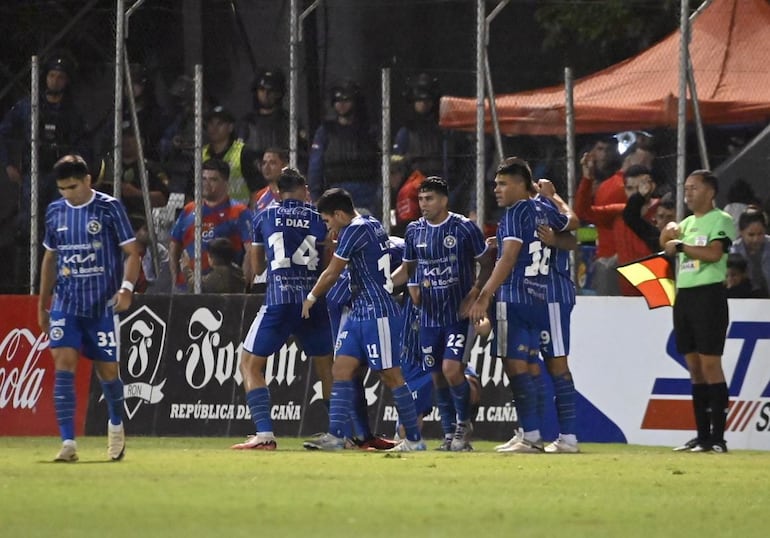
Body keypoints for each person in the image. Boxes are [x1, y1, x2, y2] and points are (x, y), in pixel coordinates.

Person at [300, 188, 425, 452]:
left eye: (327, 220)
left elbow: (333, 272)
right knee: (341, 369)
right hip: (359, 311)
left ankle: (414, 440)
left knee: (390, 375)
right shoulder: (371, 223)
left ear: (339, 214)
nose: (328, 227)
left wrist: (311, 297)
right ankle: (336, 436)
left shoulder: (353, 230)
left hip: (378, 311)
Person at [36, 154, 141, 462]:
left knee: (108, 372)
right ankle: (68, 443)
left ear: (87, 181)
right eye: (62, 189)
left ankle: (116, 423)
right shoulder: (55, 212)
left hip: (101, 305)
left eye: (72, 187)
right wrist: (43, 304)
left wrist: (126, 288)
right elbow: (50, 259)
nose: (68, 194)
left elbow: (132, 252)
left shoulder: (109, 208)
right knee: (64, 365)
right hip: (66, 304)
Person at [467, 157, 571, 453]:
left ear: (522, 185)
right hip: (541, 295)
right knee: (534, 368)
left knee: (516, 367)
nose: (496, 190)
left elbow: (509, 257)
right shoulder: (544, 207)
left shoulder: (514, 214)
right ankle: (540, 434)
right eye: (495, 184)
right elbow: (572, 229)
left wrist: (484, 295)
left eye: (503, 184)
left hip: (514, 298)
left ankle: (532, 435)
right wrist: (553, 197)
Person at [232, 168, 333, 450]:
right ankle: (339, 432)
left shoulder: (263, 215)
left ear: (277, 191)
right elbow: (327, 264)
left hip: (279, 299)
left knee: (250, 364)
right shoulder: (318, 217)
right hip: (313, 298)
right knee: (327, 367)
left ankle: (264, 434)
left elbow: (257, 266)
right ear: (304, 189)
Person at [391, 176, 493, 451]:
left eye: (430, 198)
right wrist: (390, 284)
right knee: (437, 376)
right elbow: (409, 267)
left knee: (451, 369)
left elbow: (487, 263)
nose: (423, 204)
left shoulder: (464, 228)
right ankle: (449, 434)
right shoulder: (413, 231)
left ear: (444, 200)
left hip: (457, 315)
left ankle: (463, 425)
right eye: (421, 199)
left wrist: (475, 295)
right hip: (428, 317)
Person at [661, 169, 736, 453]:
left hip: (709, 296)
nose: (688, 193)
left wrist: (681, 245)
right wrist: (667, 234)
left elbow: (715, 253)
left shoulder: (721, 220)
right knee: (693, 367)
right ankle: (701, 436)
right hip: (685, 297)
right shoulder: (687, 223)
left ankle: (718, 437)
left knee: (710, 365)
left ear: (710, 192)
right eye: (686, 188)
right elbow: (666, 247)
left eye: (694, 188)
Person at [0, 54, 87, 292]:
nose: (55, 81)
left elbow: (82, 144)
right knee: (28, 226)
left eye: (60, 77)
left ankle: (58, 283)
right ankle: (24, 283)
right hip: (33, 174)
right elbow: (4, 132)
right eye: (51, 76)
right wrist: (8, 164)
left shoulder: (72, 111)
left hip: (60, 177)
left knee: (60, 228)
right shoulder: (29, 105)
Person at [575, 144, 654, 295]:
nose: (635, 193)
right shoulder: (619, 212)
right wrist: (587, 179)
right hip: (622, 291)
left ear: (651, 186)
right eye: (630, 189)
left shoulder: (662, 211)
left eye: (640, 188)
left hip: (655, 288)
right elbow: (582, 212)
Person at [168, 158, 250, 292]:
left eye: (213, 179)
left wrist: (243, 285)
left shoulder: (239, 212)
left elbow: (250, 251)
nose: (206, 184)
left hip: (222, 289)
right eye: (203, 179)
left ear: (225, 183)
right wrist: (175, 278)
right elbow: (174, 244)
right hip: (186, 287)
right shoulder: (189, 210)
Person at [307, 80, 380, 217]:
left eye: (346, 100)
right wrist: (315, 196)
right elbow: (315, 165)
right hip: (337, 190)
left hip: (367, 191)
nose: (341, 104)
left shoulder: (369, 130)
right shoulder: (326, 131)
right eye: (337, 100)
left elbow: (381, 161)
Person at [94, 126, 170, 217]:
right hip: (107, 216)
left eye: (130, 136)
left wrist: (136, 193)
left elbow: (163, 199)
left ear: (140, 141)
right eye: (123, 136)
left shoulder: (151, 168)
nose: (126, 140)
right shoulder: (106, 165)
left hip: (138, 219)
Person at [203, 106, 262, 205]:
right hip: (208, 216)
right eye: (211, 124)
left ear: (230, 127)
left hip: (238, 216)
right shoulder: (201, 154)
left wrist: (253, 217)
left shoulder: (243, 153)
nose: (214, 128)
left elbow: (256, 189)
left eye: (219, 124)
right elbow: (191, 190)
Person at [729, 208, 770, 298]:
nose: (756, 239)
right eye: (751, 235)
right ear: (741, 232)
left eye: (760, 234)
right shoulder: (732, 251)